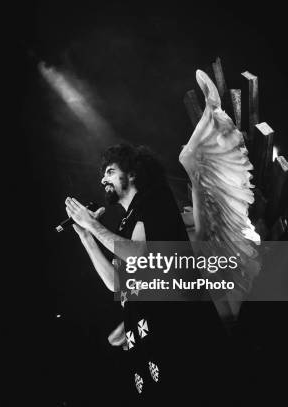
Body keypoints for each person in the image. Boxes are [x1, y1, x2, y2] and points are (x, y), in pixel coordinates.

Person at [65, 143, 225, 405]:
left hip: (178, 338)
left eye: (110, 171)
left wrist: (92, 224)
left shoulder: (155, 199)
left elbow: (138, 256)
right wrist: (86, 237)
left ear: (133, 173)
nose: (102, 179)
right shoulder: (125, 224)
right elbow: (115, 283)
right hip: (146, 343)